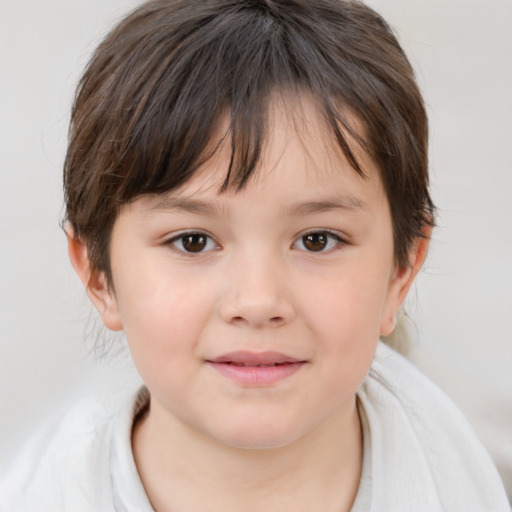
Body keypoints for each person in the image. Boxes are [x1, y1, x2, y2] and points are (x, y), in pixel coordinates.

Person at [1, 0, 509, 510]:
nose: (259, 300)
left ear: (401, 270)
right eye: (192, 241)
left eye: (317, 239)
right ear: (97, 276)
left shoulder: (482, 483)